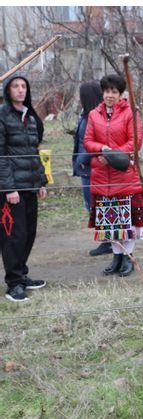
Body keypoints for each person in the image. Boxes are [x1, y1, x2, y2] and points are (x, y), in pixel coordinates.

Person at [83, 74, 143, 277]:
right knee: (111, 221)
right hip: (102, 177)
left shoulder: (131, 113)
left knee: (127, 221)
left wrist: (109, 156)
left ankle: (128, 257)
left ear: (120, 94)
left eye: (114, 91)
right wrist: (101, 148)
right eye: (107, 91)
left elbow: (134, 142)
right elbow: (88, 141)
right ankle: (116, 257)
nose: (110, 95)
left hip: (124, 175)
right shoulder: (94, 114)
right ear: (103, 92)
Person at [0, 72, 48, 302]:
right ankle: (13, 284)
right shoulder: (2, 115)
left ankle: (22, 274)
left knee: (29, 233)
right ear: (8, 90)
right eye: (15, 86)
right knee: (13, 236)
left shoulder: (29, 117)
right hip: (11, 190)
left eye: (23, 86)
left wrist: (40, 182)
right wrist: (9, 188)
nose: (20, 90)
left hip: (30, 185)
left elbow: (34, 152)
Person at [71, 80, 111, 257]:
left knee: (95, 205)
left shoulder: (90, 119)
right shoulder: (92, 116)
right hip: (88, 167)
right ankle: (108, 240)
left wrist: (80, 161)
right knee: (97, 205)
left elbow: (87, 144)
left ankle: (107, 241)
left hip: (89, 168)